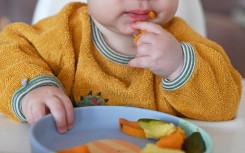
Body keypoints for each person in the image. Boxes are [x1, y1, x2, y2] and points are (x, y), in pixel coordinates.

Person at [0, 0, 242, 133]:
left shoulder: (181, 40)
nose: (141, 1)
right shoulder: (65, 31)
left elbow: (226, 102)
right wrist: (34, 88)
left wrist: (179, 65)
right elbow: (8, 48)